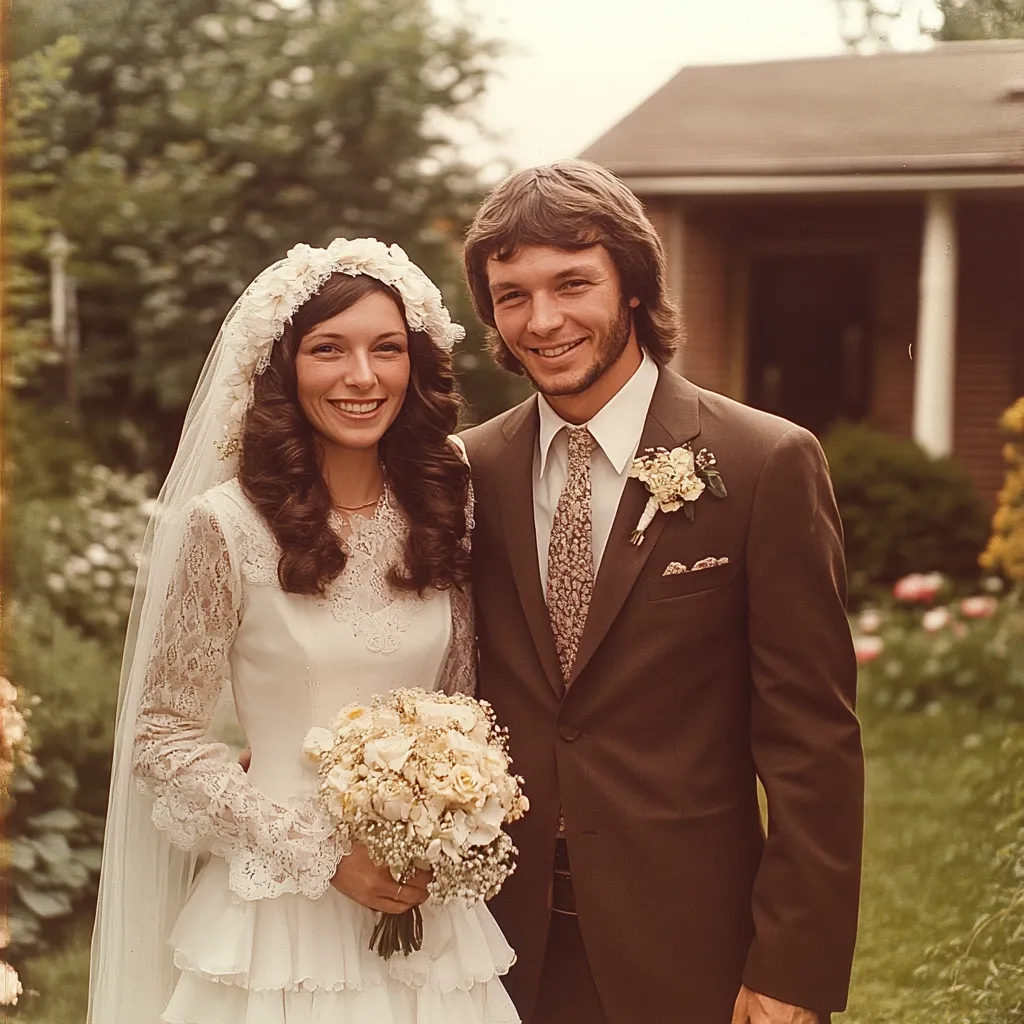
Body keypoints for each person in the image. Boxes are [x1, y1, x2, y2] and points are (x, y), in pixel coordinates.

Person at [459, 160, 865, 1024]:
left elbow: (813, 743)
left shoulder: (764, 463)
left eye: (573, 284)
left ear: (634, 285)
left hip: (693, 946)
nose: (544, 320)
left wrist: (794, 965)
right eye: (512, 295)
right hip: (488, 942)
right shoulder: (464, 471)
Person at [88, 239, 519, 1024]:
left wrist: (444, 823)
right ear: (283, 370)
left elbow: (461, 702)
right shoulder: (225, 527)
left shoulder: (445, 508)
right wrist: (324, 857)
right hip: (277, 916)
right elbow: (160, 733)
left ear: (414, 366)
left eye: (387, 349)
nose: (362, 377)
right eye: (329, 350)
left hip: (426, 910)